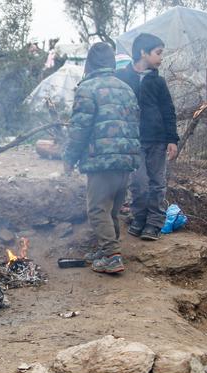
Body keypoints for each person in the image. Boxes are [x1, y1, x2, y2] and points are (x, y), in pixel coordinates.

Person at [64, 42, 141, 274]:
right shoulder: (125, 87)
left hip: (102, 160)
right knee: (112, 210)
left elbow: (79, 128)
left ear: (89, 63)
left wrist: (69, 157)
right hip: (126, 160)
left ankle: (112, 256)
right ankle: (107, 249)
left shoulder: (87, 89)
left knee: (97, 209)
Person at [116, 33, 178, 241]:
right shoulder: (123, 78)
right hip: (134, 140)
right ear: (143, 52)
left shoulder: (158, 82)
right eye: (158, 53)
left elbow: (168, 110)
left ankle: (154, 223)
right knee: (138, 182)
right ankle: (139, 217)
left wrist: (172, 139)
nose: (161, 58)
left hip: (158, 140)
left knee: (157, 182)